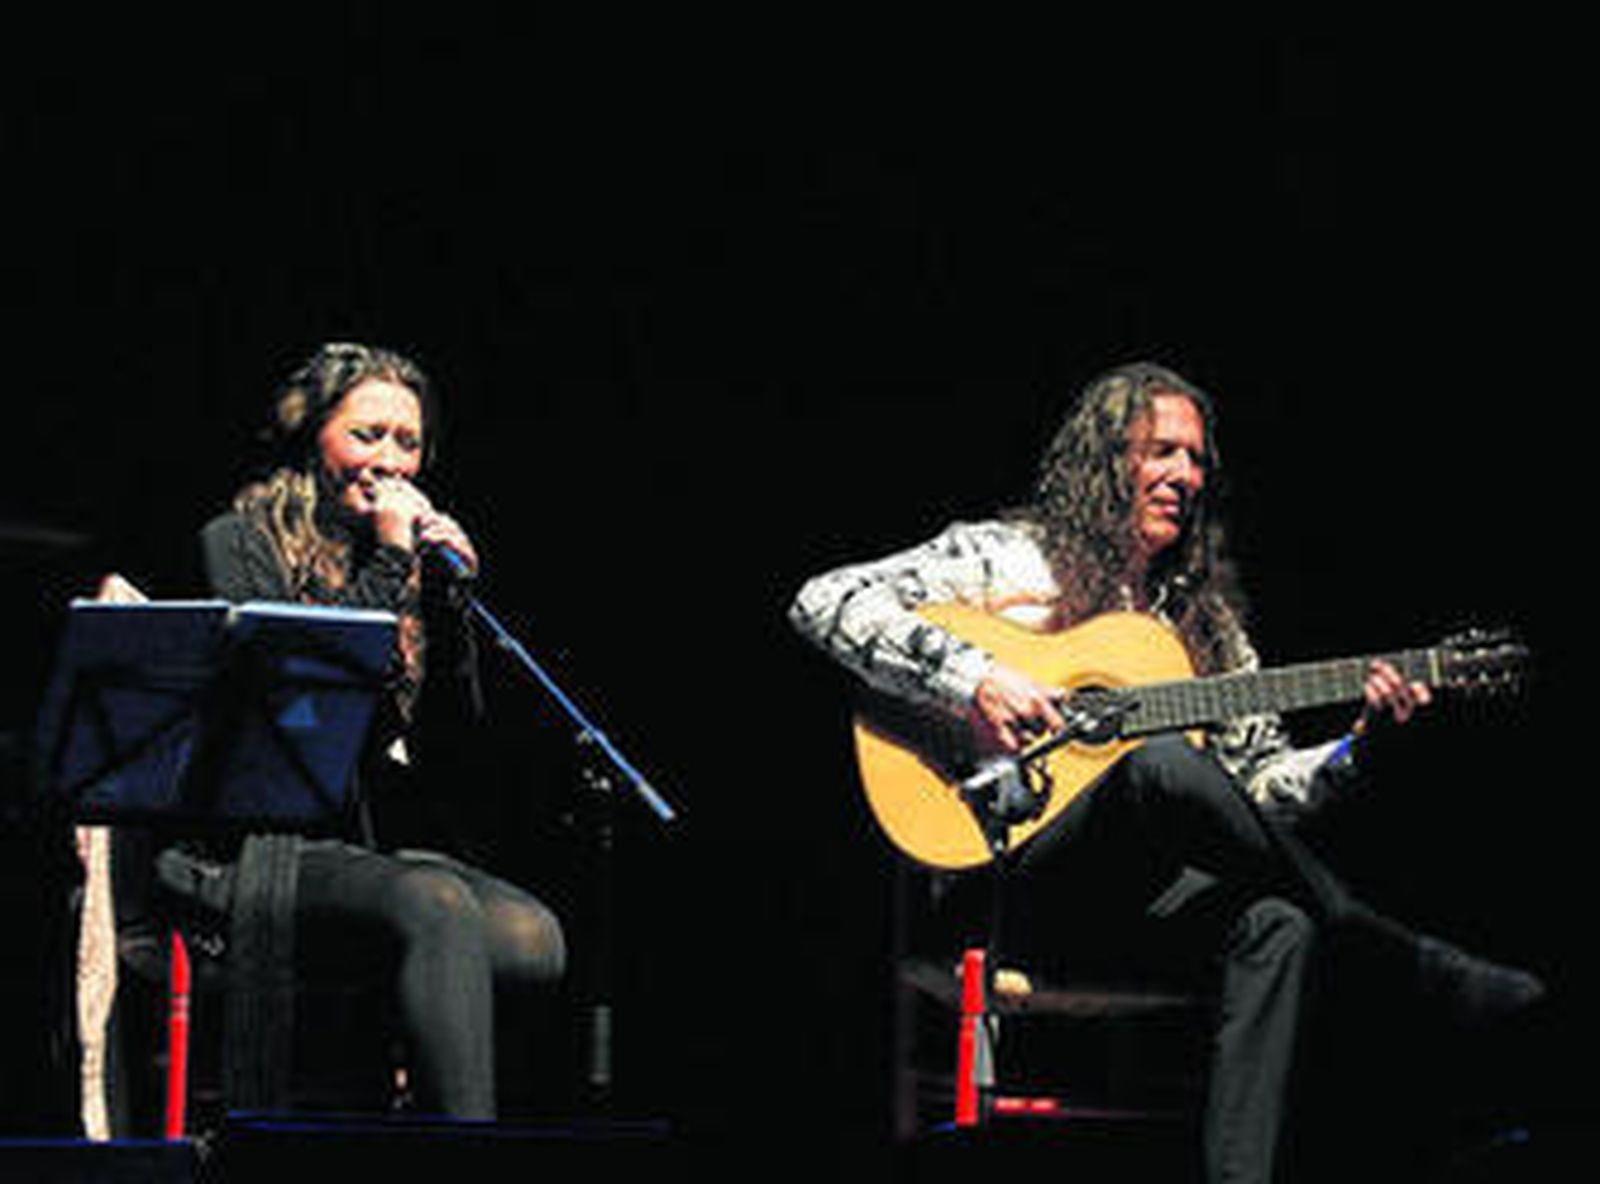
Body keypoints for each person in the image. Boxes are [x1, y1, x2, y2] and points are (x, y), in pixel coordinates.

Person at [789, 361, 1542, 1182]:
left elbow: (1252, 795)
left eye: (1196, 461)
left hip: (1135, 912)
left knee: (1275, 923)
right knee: (1160, 763)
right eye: (1162, 453)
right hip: (1006, 885)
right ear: (1106, 461)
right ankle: (1390, 956)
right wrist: (976, 680)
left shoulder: (1208, 630)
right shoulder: (1006, 559)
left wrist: (1357, 747)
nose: (1186, 476)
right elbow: (824, 599)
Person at [158, 342, 566, 1121]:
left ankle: (414, 1113)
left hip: (356, 846)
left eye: (408, 443)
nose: (390, 462)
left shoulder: (405, 567)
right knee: (436, 905)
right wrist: (391, 560)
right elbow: (303, 686)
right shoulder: (237, 543)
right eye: (367, 435)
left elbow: (453, 750)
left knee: (531, 940)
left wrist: (447, 607)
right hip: (248, 849)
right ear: (313, 438)